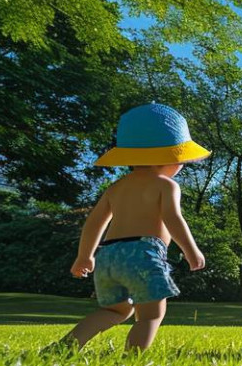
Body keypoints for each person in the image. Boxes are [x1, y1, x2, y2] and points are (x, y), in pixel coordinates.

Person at [48, 103, 207, 352]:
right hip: (143, 252)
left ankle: (64, 348)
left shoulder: (116, 188)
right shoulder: (166, 185)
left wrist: (85, 255)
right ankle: (132, 360)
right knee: (151, 315)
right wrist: (191, 250)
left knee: (115, 310)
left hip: (108, 255)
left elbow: (95, 222)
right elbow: (172, 218)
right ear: (169, 157)